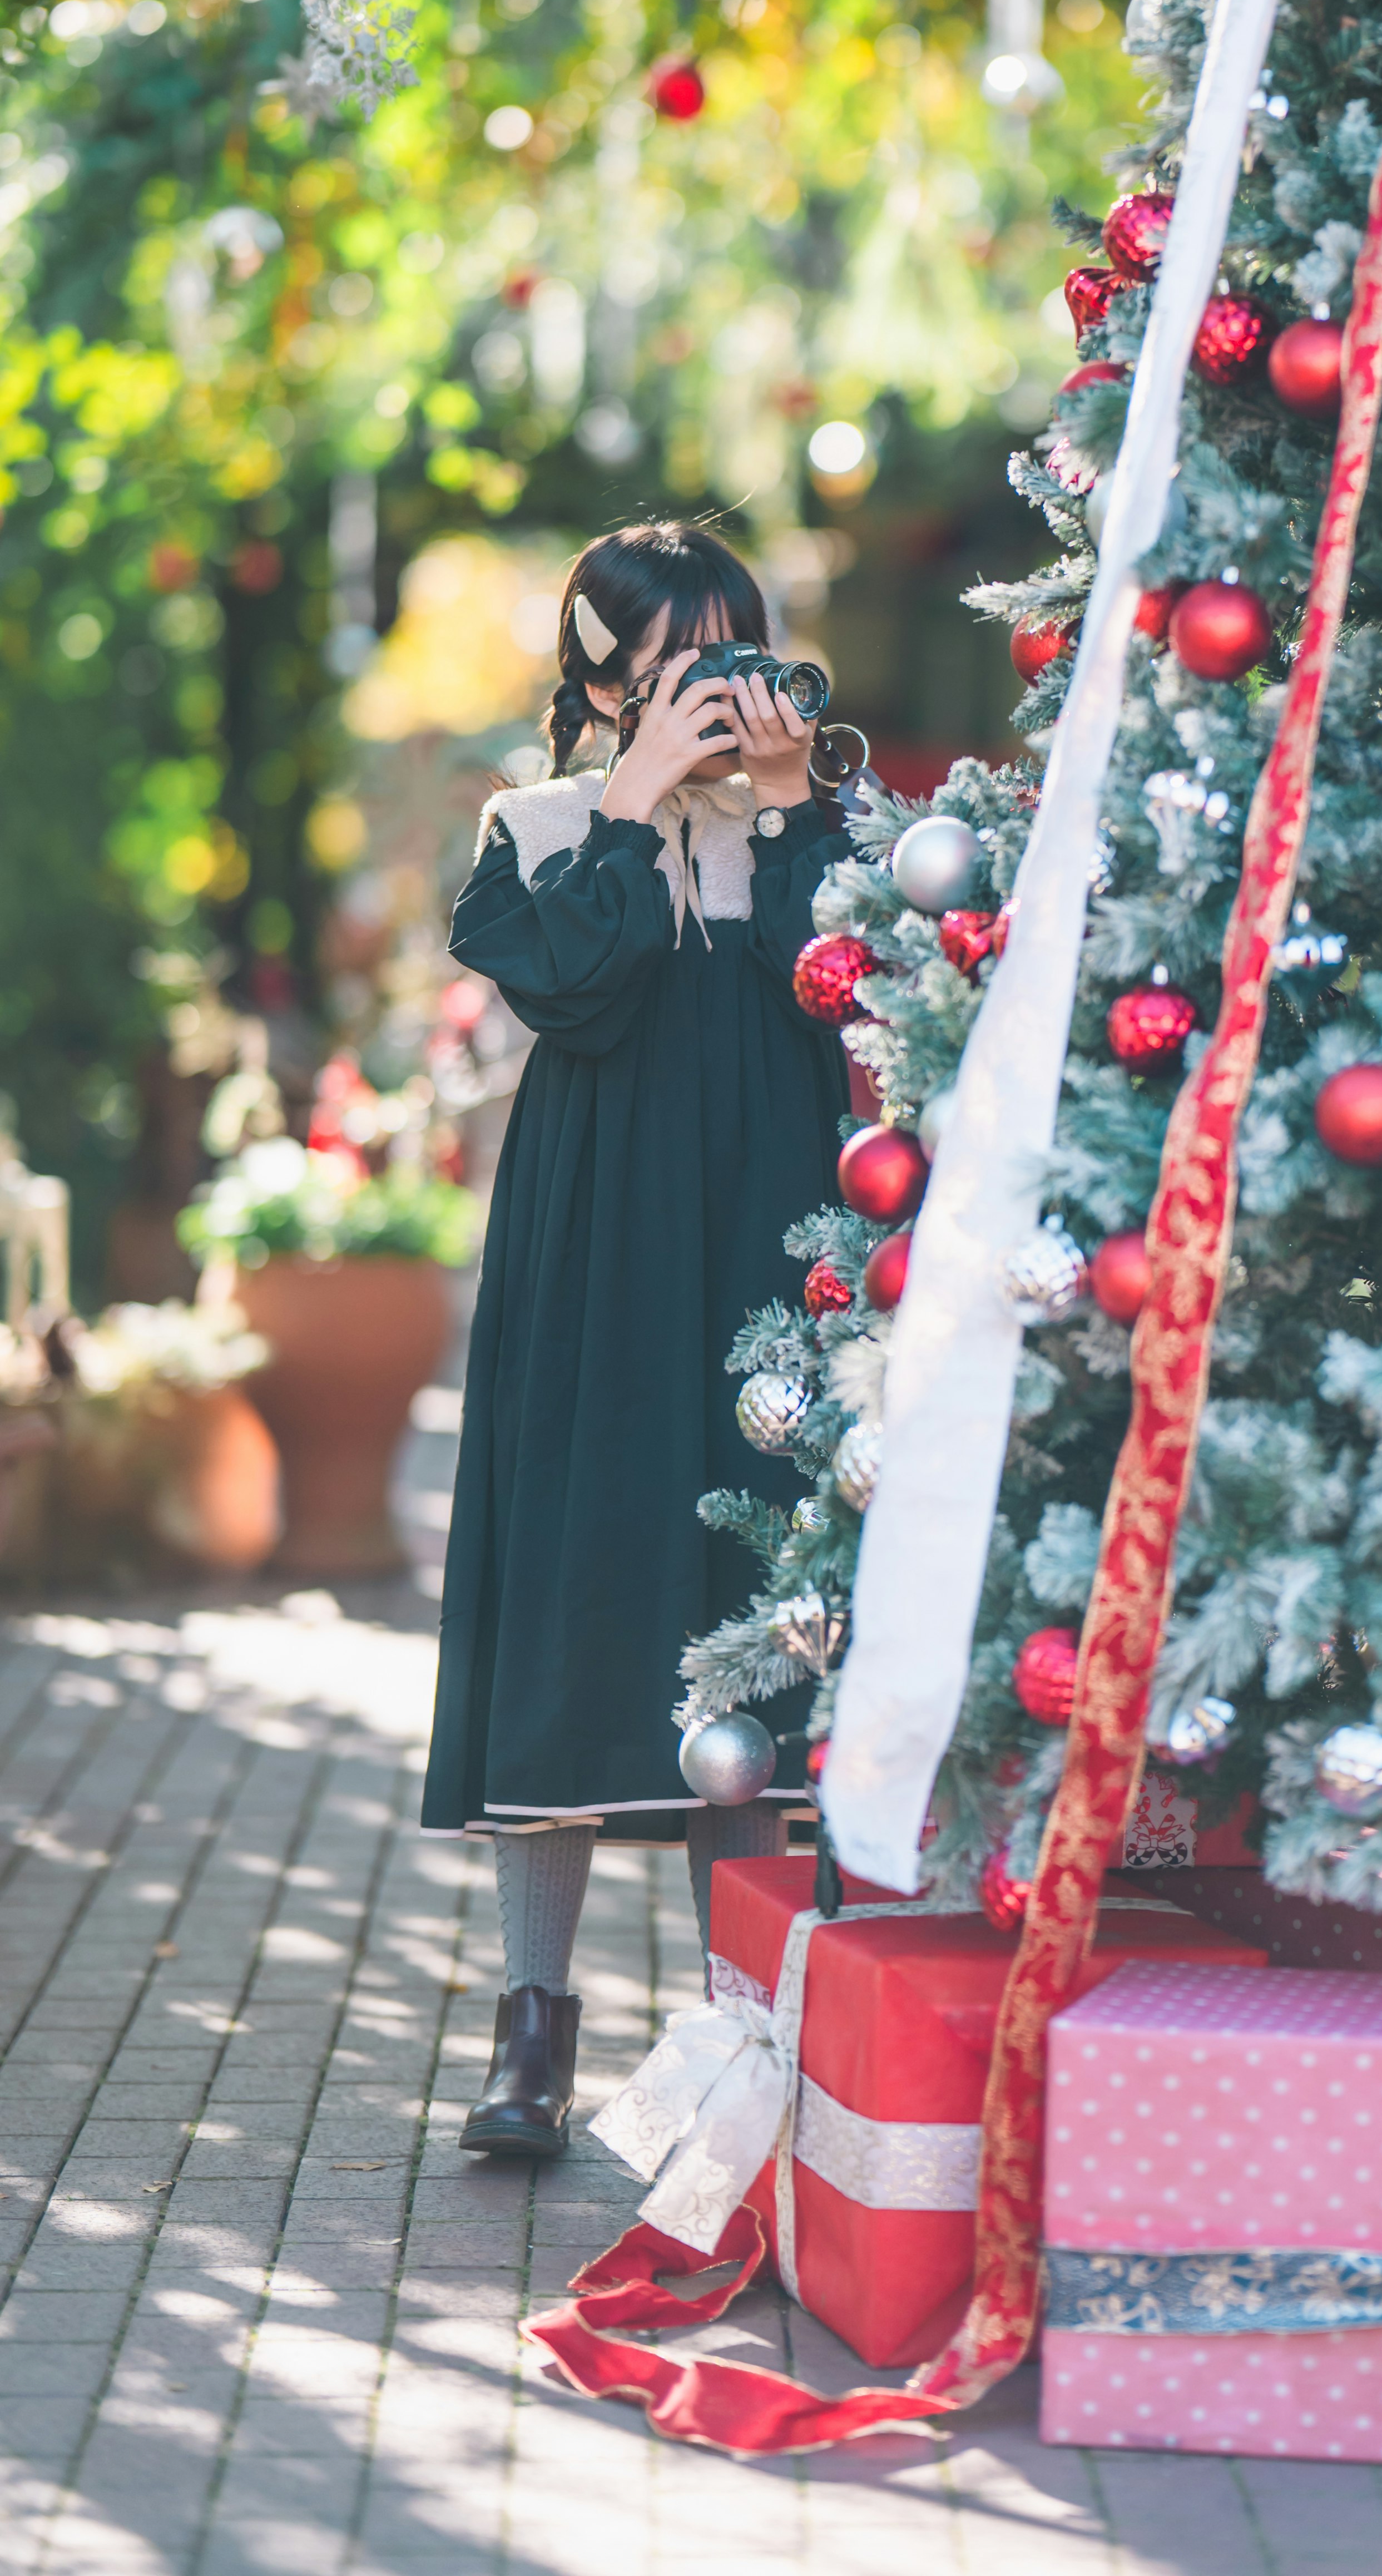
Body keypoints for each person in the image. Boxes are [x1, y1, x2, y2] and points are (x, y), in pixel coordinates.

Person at [420, 520, 852, 2158]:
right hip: (599, 1263)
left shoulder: (811, 821)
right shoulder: (538, 828)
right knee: (581, 1597)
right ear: (602, 674)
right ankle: (535, 2031)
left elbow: (856, 982)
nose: (713, 691)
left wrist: (797, 795)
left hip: (774, 1254)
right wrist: (625, 801)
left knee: (754, 1609)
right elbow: (580, 993)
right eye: (678, 658)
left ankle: (753, 2027)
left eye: (735, 648)